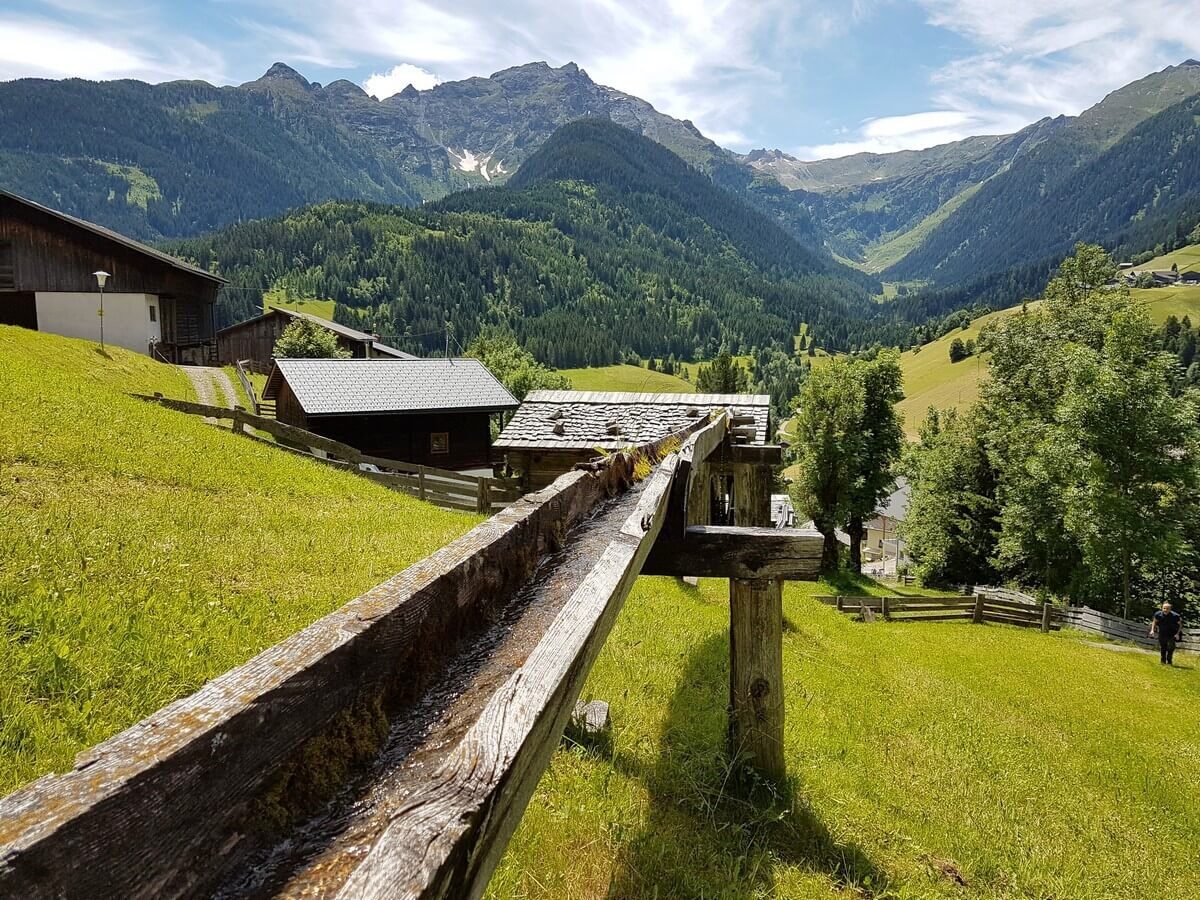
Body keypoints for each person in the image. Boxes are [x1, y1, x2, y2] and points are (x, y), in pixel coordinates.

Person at [1150, 601, 1183, 665]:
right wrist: (1152, 630)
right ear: (1162, 608)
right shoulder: (1158, 614)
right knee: (1163, 647)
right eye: (1164, 608)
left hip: (1172, 634)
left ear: (1170, 609)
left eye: (1167, 608)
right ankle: (1163, 661)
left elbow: (1180, 625)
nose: (1165, 610)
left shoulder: (1175, 616)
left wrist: (1177, 634)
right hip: (1162, 633)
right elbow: (1154, 622)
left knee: (1171, 647)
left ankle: (1169, 661)